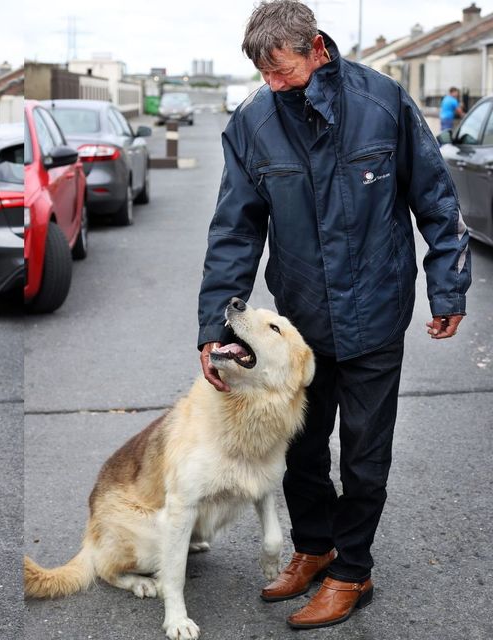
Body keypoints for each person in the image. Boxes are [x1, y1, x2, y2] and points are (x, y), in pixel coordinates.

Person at [197, 0, 471, 631]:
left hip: (376, 314)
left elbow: (434, 197)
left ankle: (353, 571)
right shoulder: (254, 124)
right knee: (299, 449)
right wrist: (215, 331)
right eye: (262, 74)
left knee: (365, 456)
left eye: (282, 69)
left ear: (317, 47)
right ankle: (313, 547)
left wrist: (448, 289)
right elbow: (233, 232)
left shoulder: (383, 105)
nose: (273, 84)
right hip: (299, 332)